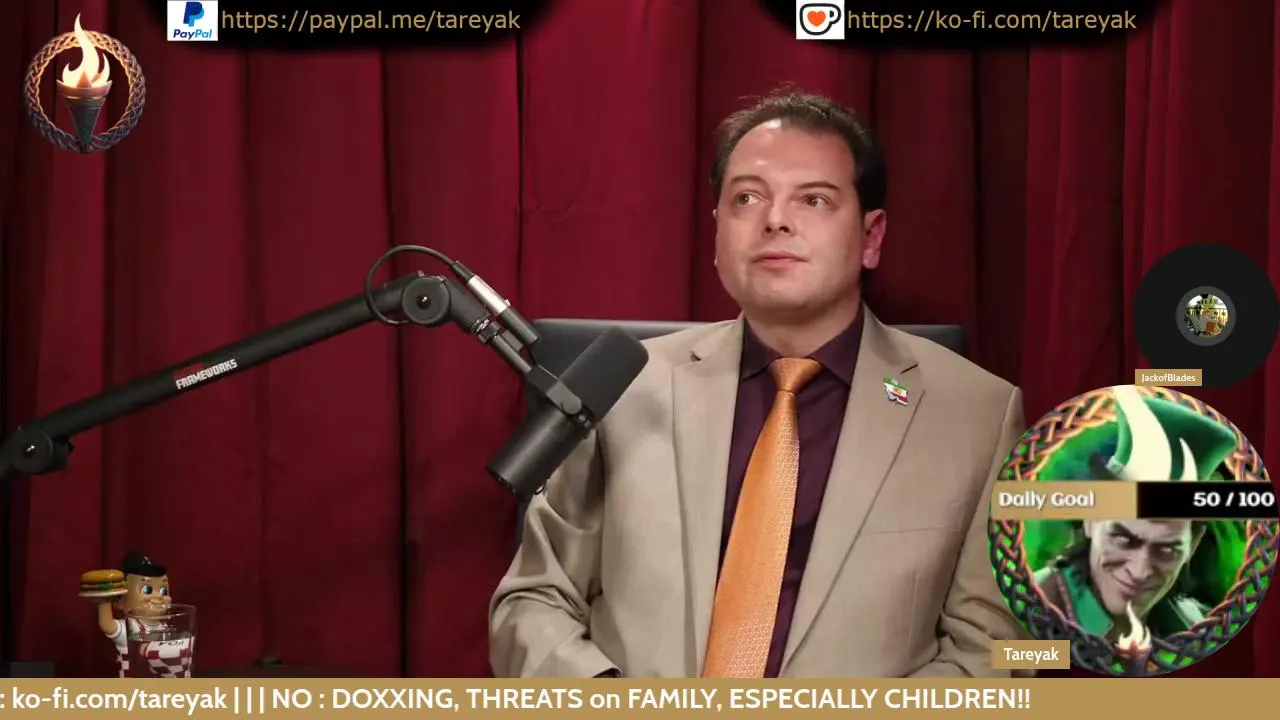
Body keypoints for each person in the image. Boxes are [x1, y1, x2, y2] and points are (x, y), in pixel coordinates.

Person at [489, 89, 1028, 678]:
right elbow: (533, 601)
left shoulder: (978, 414)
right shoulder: (625, 386)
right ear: (718, 233)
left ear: (871, 237)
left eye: (814, 200)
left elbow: (998, 649)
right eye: (748, 197)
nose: (775, 220)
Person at [1033, 385, 1240, 640]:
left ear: (1193, 544)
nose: (1140, 571)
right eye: (1122, 539)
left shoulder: (1195, 626)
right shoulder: (1033, 606)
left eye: (1166, 549)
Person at [94, 551, 171, 677]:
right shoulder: (131, 628)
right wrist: (104, 599)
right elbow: (106, 624)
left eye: (164, 590)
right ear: (120, 602)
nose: (159, 596)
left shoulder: (163, 627)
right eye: (147, 589)